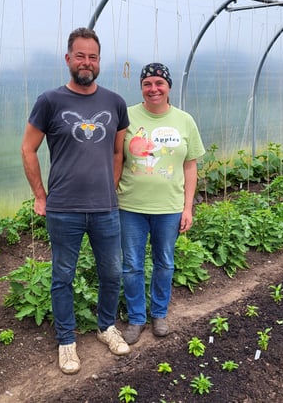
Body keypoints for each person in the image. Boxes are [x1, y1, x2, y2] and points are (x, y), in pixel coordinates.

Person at [21, 27, 131, 375]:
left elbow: (118, 152)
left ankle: (105, 327)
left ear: (100, 61)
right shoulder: (50, 101)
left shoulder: (114, 102)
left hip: (105, 209)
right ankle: (66, 342)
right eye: (80, 55)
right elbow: (28, 148)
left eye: (93, 56)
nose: (87, 62)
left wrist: (109, 188)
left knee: (112, 272)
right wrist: (40, 195)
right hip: (63, 208)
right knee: (62, 276)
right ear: (68, 59)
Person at [117, 62, 205, 344]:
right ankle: (136, 318)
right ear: (141, 87)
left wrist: (187, 206)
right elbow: (116, 158)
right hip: (130, 206)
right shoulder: (127, 116)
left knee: (164, 262)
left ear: (168, 87)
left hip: (169, 207)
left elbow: (190, 167)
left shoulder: (184, 120)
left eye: (159, 83)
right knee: (131, 264)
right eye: (147, 84)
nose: (153, 89)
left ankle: (159, 313)